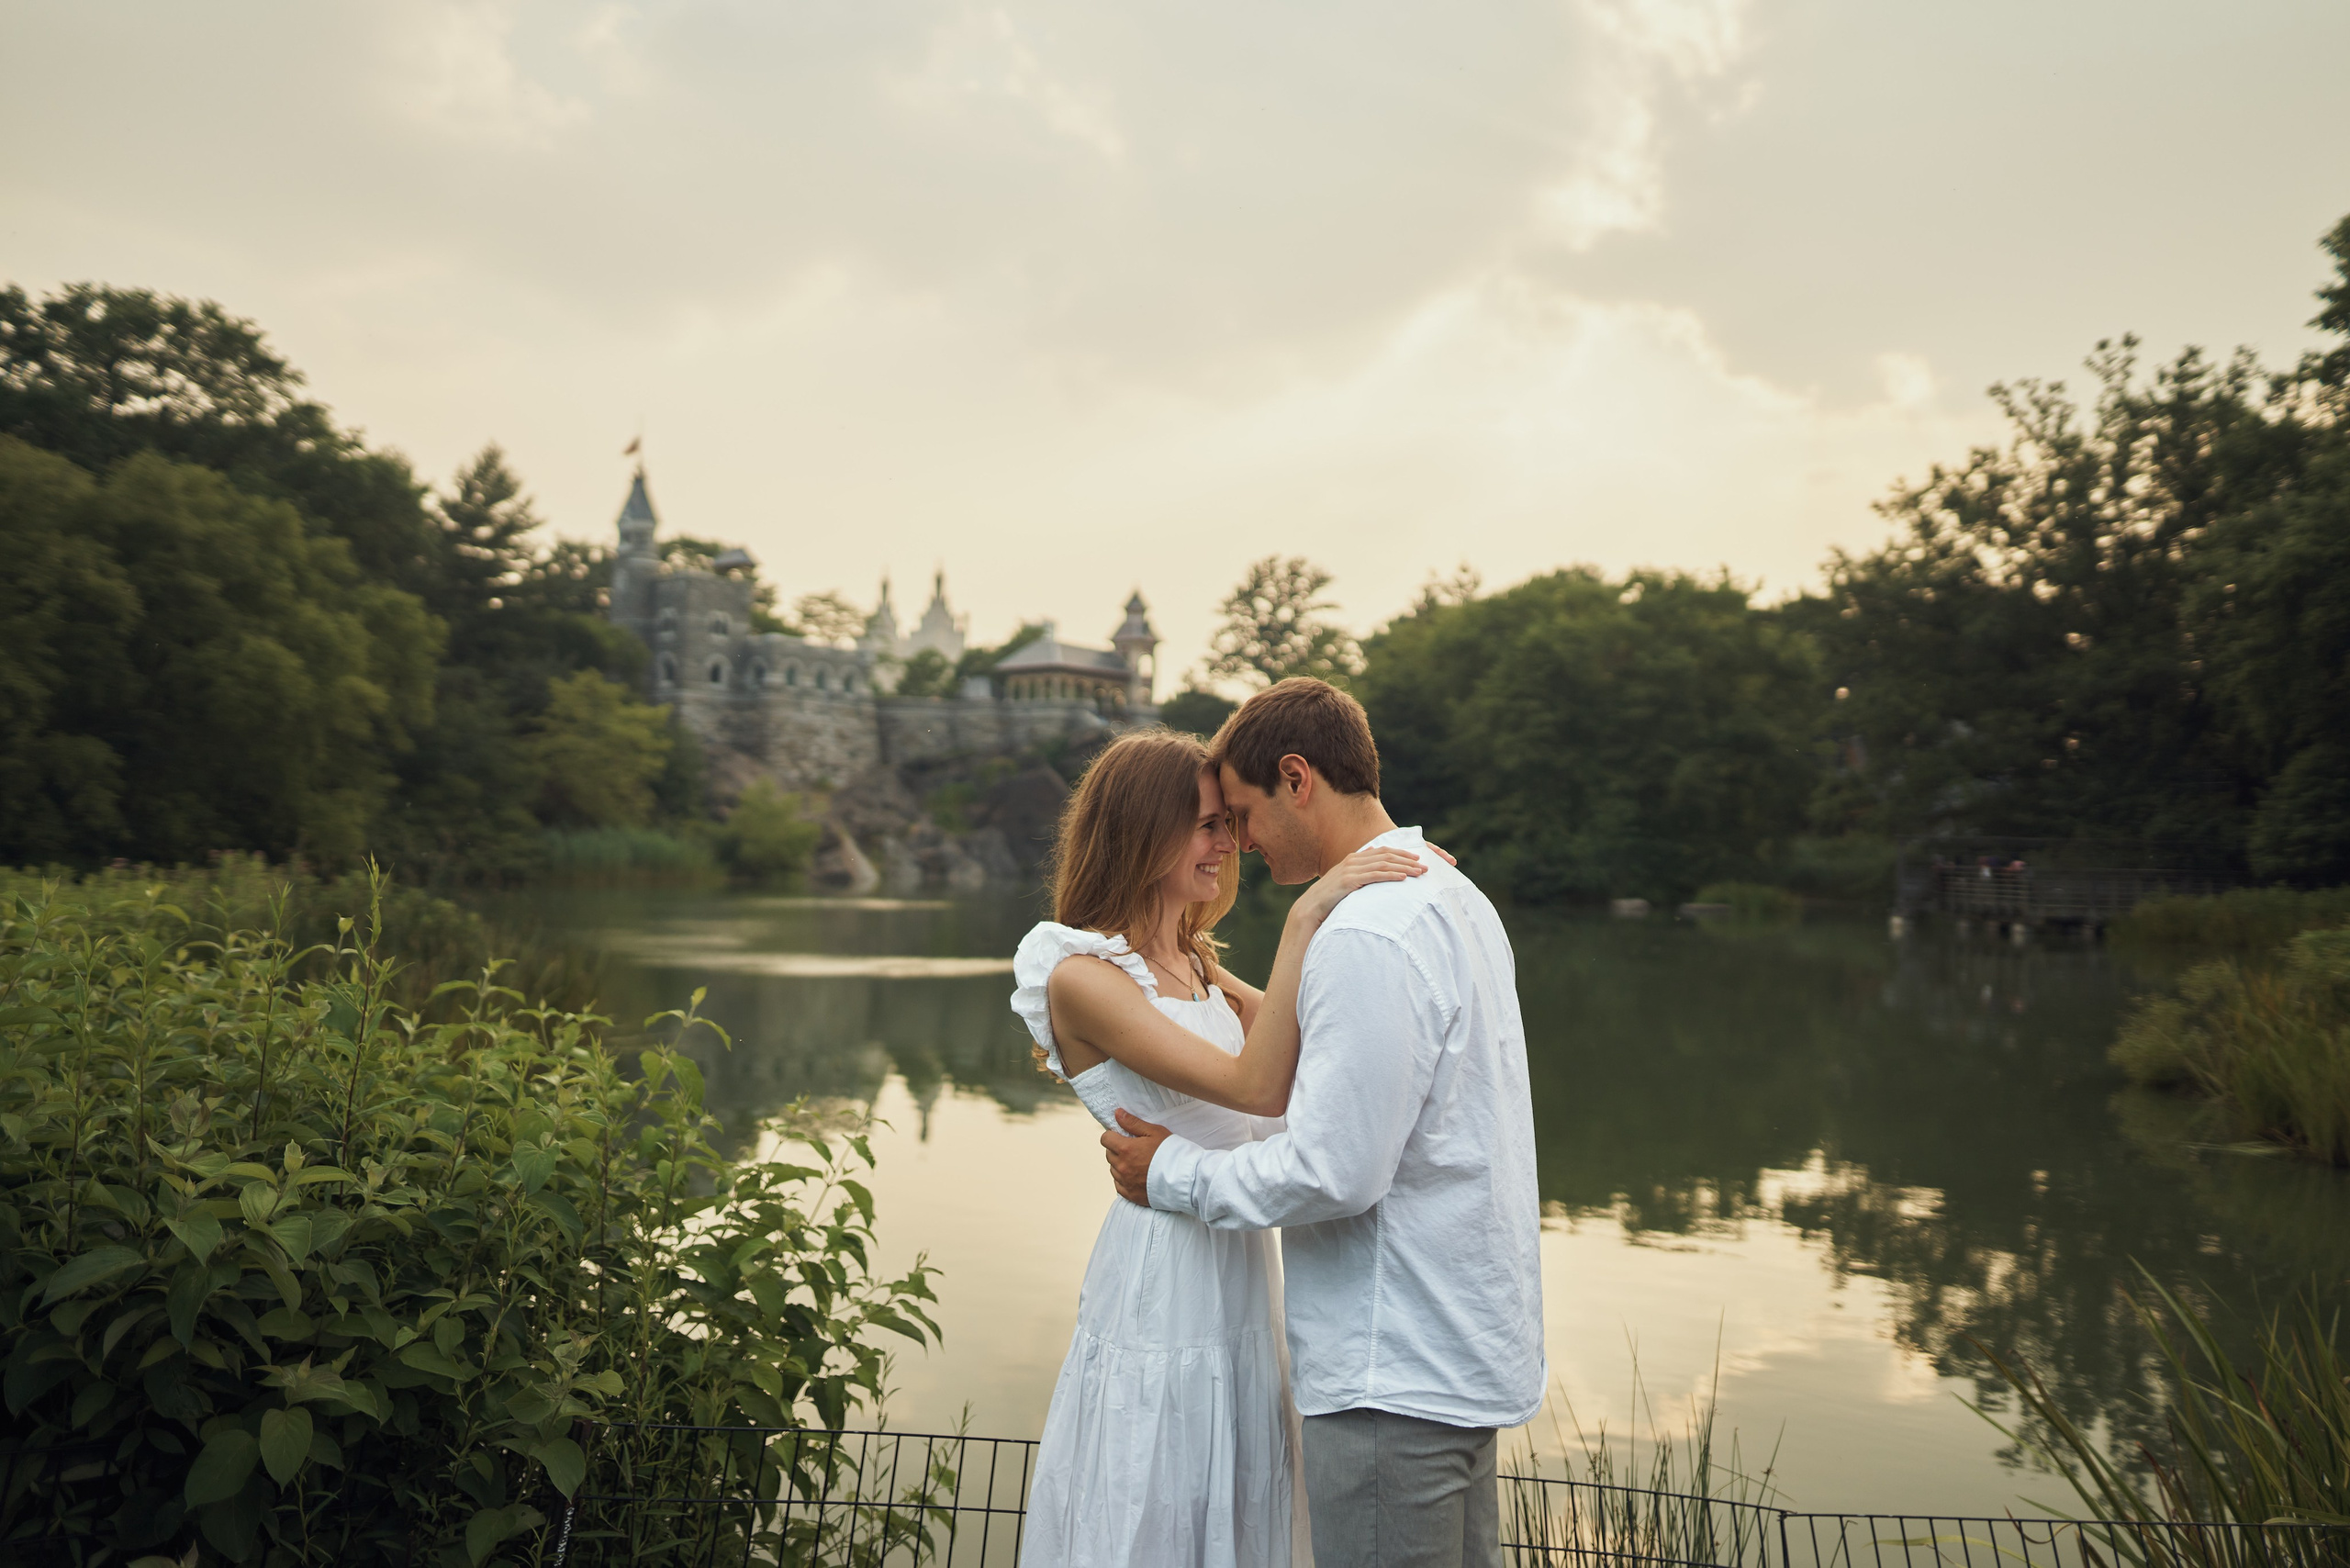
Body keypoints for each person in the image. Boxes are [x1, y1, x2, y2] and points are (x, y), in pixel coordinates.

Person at [1102, 678, 1545, 1568]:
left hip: (1393, 1370)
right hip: (1462, 1354)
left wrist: (1172, 1174)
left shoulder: (1368, 932)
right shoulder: (1455, 899)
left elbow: (1333, 1172)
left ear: (1297, 777)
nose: (1239, 843)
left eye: (1244, 812)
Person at [1011, 726, 1432, 1568]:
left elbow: (1309, 1052)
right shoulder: (1080, 975)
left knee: (1241, 1477)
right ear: (1142, 831)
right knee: (1156, 1479)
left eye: (1226, 822)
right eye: (1207, 823)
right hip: (1164, 1262)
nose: (1228, 841)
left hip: (1238, 1254)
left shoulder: (1197, 959)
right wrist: (1312, 909)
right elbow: (1257, 1087)